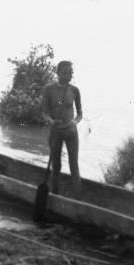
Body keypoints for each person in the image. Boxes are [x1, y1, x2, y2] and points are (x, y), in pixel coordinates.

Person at [41, 60, 83, 197]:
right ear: (58, 73)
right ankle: (54, 195)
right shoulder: (48, 89)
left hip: (71, 132)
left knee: (74, 166)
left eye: (70, 73)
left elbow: (80, 113)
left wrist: (74, 122)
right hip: (56, 132)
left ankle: (77, 199)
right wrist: (52, 121)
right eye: (65, 73)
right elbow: (44, 113)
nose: (68, 76)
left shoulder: (74, 90)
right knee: (56, 165)